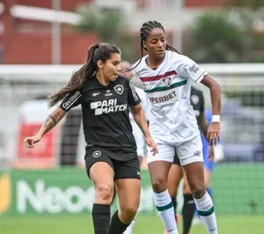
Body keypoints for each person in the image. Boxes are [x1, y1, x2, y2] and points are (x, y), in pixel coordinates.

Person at [23, 43, 157, 234]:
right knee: (104, 189)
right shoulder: (85, 88)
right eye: (115, 63)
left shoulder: (124, 84)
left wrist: (148, 135)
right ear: (101, 64)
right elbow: (59, 112)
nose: (119, 68)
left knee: (129, 210)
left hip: (127, 151)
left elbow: (137, 110)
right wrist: (40, 133)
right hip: (99, 150)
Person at [129, 21, 221, 234]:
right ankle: (172, 231)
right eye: (154, 41)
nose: (160, 44)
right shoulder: (139, 70)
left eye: (163, 39)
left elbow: (214, 85)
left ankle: (213, 232)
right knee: (158, 183)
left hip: (188, 135)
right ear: (145, 44)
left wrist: (215, 120)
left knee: (198, 189)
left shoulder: (180, 62)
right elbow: (121, 80)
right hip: (160, 136)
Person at [165, 86, 214, 234]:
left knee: (189, 189)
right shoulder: (168, 92)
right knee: (169, 193)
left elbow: (202, 121)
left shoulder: (198, 94)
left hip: (192, 148)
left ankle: (186, 231)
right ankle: (171, 228)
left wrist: (210, 143)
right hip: (172, 147)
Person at [120, 60, 149, 234]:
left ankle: (128, 228)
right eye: (119, 69)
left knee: (129, 189)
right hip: (113, 146)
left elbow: (146, 120)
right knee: (111, 188)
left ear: (131, 73)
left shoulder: (140, 94)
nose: (123, 72)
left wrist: (149, 141)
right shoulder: (108, 93)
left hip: (135, 147)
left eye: (126, 70)